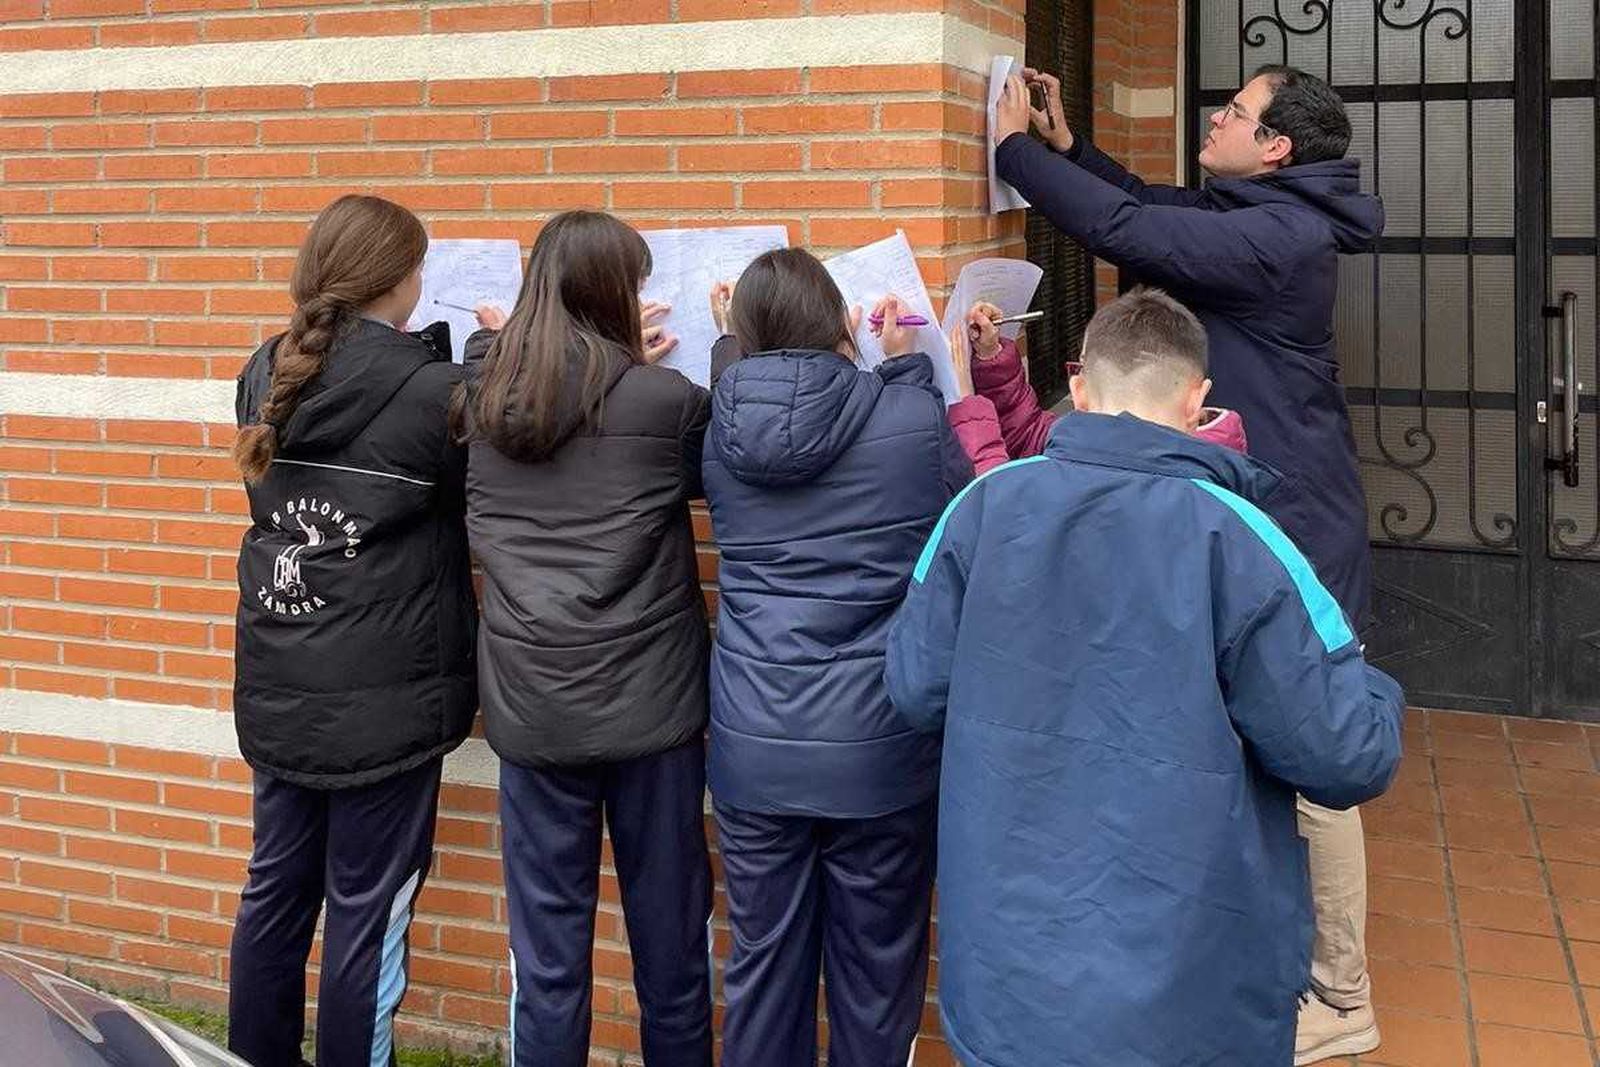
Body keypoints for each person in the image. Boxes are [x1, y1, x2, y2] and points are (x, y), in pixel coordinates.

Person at [885, 287, 1404, 1067]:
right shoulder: (1245, 536)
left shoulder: (980, 507)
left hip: (1008, 986)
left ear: (1082, 389)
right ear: (1198, 402)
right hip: (1192, 999)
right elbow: (1347, 752)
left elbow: (913, 685)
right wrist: (1372, 685)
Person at [995, 65, 1387, 1064]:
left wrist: (1012, 154)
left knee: (1313, 760)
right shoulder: (1259, 209)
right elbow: (1151, 208)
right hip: (1263, 506)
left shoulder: (1278, 234)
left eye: (1238, 111)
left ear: (1276, 149)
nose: (1217, 115)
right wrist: (1071, 147)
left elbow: (1133, 236)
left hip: (1288, 519)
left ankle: (1340, 994)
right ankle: (1275, 957)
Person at [451, 210, 713, 1067]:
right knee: (671, 956)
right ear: (613, 296)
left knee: (549, 962)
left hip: (534, 714)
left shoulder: (482, 401)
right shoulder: (664, 401)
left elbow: (512, 376)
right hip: (652, 718)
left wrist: (511, 347)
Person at [700, 249, 973, 1067]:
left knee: (763, 965)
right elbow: (958, 495)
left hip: (755, 742)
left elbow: (753, 409)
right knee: (875, 971)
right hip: (879, 745)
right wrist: (913, 371)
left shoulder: (717, 425)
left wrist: (727, 349)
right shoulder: (908, 418)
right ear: (842, 320)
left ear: (743, 333)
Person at [228, 195, 477, 1067]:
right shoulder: (437, 391)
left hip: (279, 680)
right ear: (397, 280)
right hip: (388, 704)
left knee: (275, 892)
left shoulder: (266, 366)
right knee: (368, 909)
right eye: (419, 265)